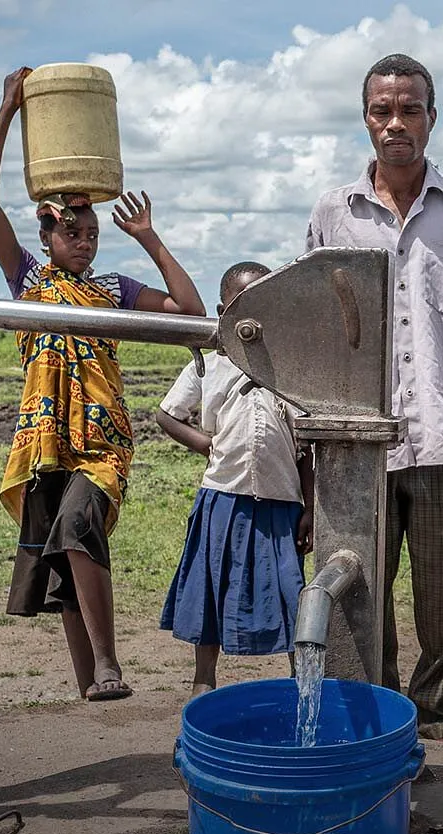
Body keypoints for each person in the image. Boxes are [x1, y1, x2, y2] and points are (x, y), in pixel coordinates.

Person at [0, 68, 206, 703]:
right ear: (46, 237)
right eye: (71, 233)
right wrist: (7, 110)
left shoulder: (110, 291)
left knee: (77, 523)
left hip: (101, 442)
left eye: (91, 235)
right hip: (43, 441)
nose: (83, 243)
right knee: (60, 554)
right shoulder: (27, 282)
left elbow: (188, 310)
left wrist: (148, 238)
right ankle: (90, 686)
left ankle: (108, 663)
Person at [305, 53, 443, 740]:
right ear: (365, 118)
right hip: (355, 437)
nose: (396, 123)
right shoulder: (334, 213)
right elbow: (313, 320)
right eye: (382, 110)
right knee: (359, 589)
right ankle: (374, 714)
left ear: (432, 116)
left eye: (410, 109)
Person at [156, 262, 314, 696]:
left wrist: (311, 507)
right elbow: (167, 415)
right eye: (243, 303)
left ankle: (302, 682)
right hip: (222, 496)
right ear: (225, 310)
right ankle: (203, 680)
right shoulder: (208, 366)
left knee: (290, 594)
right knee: (211, 586)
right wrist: (205, 444)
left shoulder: (292, 367)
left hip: (283, 502)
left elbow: (308, 447)